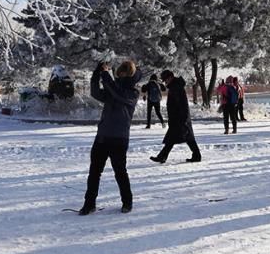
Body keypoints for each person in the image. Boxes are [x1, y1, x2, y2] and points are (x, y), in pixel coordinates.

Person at [80, 60, 142, 215]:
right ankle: (89, 204)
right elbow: (95, 93)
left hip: (119, 138)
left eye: (122, 73)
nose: (119, 75)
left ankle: (127, 202)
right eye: (119, 73)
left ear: (129, 75)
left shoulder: (132, 92)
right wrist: (96, 74)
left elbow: (118, 93)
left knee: (120, 172)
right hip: (103, 136)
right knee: (94, 172)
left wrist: (106, 76)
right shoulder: (113, 88)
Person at [150, 69, 202, 163]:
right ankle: (196, 155)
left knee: (177, 137)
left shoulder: (176, 87)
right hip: (178, 118)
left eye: (165, 80)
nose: (165, 82)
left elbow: (182, 104)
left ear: (170, 77)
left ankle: (162, 156)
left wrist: (183, 118)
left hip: (180, 118)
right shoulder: (174, 86)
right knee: (184, 137)